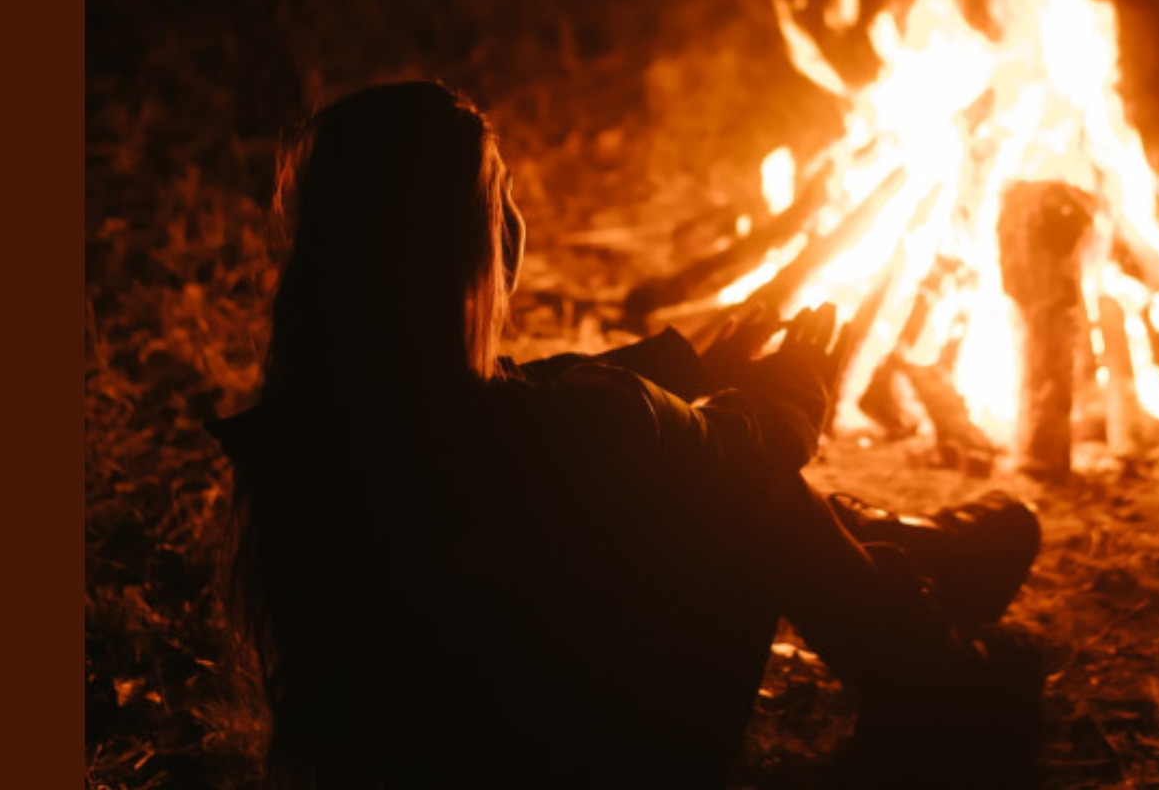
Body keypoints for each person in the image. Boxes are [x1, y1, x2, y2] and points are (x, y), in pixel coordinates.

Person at [208, 80, 1043, 788]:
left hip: (426, 754)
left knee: (701, 464)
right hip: (602, 759)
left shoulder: (322, 424)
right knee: (750, 492)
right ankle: (938, 685)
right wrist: (792, 390)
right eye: (503, 197)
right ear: (479, 243)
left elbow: (541, 395)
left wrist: (688, 361)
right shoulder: (572, 427)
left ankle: (911, 564)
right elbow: (740, 447)